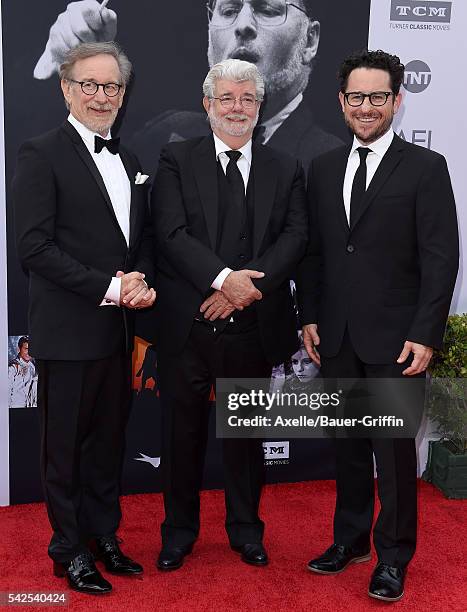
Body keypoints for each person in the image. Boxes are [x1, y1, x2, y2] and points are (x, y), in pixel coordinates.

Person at [296, 49, 459, 602]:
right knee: (346, 446)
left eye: (378, 97)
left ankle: (392, 557)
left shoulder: (426, 169)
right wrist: (310, 316)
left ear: (397, 100)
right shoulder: (321, 168)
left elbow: (442, 260)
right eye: (357, 97)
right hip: (336, 335)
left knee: (392, 453)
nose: (367, 107)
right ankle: (351, 541)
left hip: (397, 341)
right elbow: (315, 255)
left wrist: (426, 333)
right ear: (342, 102)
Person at [12, 41, 156, 595]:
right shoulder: (40, 152)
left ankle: (104, 536)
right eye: (90, 85)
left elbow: (139, 241)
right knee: (65, 449)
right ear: (66, 90)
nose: (101, 96)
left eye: (112, 86)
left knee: (107, 444)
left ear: (123, 94)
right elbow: (33, 247)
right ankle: (67, 550)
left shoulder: (133, 160)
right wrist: (109, 287)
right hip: (69, 330)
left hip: (118, 333)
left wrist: (140, 278)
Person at [152, 58, 307, 570]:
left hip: (252, 326)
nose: (237, 107)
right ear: (208, 105)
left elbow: (295, 237)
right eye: (227, 98)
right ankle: (178, 532)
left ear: (259, 108)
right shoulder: (175, 158)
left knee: (245, 438)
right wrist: (224, 281)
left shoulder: (286, 166)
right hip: (188, 325)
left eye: (247, 99)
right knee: (182, 437)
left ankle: (245, 530)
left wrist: (245, 289)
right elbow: (171, 234)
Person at [33, 0, 343, 172]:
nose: (243, 25)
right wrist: (64, 68)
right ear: (209, 34)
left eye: (268, 10)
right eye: (229, 10)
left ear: (310, 41)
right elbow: (69, 176)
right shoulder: (161, 137)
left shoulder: (333, 165)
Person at [8, 336, 37, 408]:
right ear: (19, 349)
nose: (28, 352)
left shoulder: (33, 367)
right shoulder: (13, 367)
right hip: (15, 407)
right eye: (26, 349)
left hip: (30, 407)